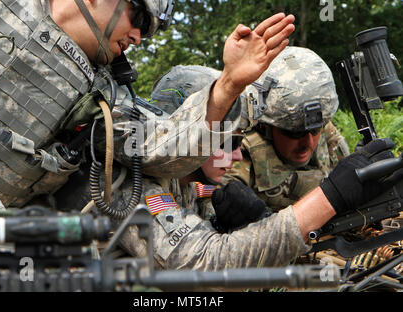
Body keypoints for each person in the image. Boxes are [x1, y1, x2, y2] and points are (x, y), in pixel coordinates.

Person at [0, 0, 295, 207]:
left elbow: (161, 150)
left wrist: (228, 85)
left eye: (147, 31)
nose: (139, 37)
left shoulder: (101, 94)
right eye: (140, 18)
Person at [114, 66, 403, 270]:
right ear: (188, 134)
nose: (238, 155)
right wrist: (330, 197)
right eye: (227, 143)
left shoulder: (187, 184)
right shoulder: (132, 187)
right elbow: (202, 266)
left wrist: (252, 221)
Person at [224, 46, 351, 212]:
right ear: (266, 127)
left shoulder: (322, 128)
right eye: (295, 133)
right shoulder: (237, 152)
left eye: (315, 131)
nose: (308, 142)